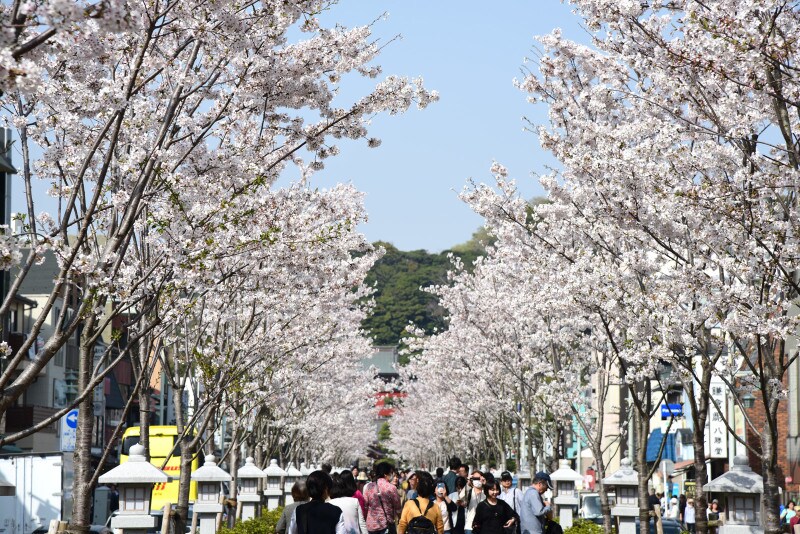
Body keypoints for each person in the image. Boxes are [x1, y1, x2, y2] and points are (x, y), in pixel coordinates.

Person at [365, 462, 402, 534]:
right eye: (391, 473)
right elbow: (398, 507)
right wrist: (400, 519)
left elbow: (365, 505)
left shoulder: (369, 487)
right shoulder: (391, 488)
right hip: (386, 525)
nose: (392, 475)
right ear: (385, 474)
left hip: (371, 525)